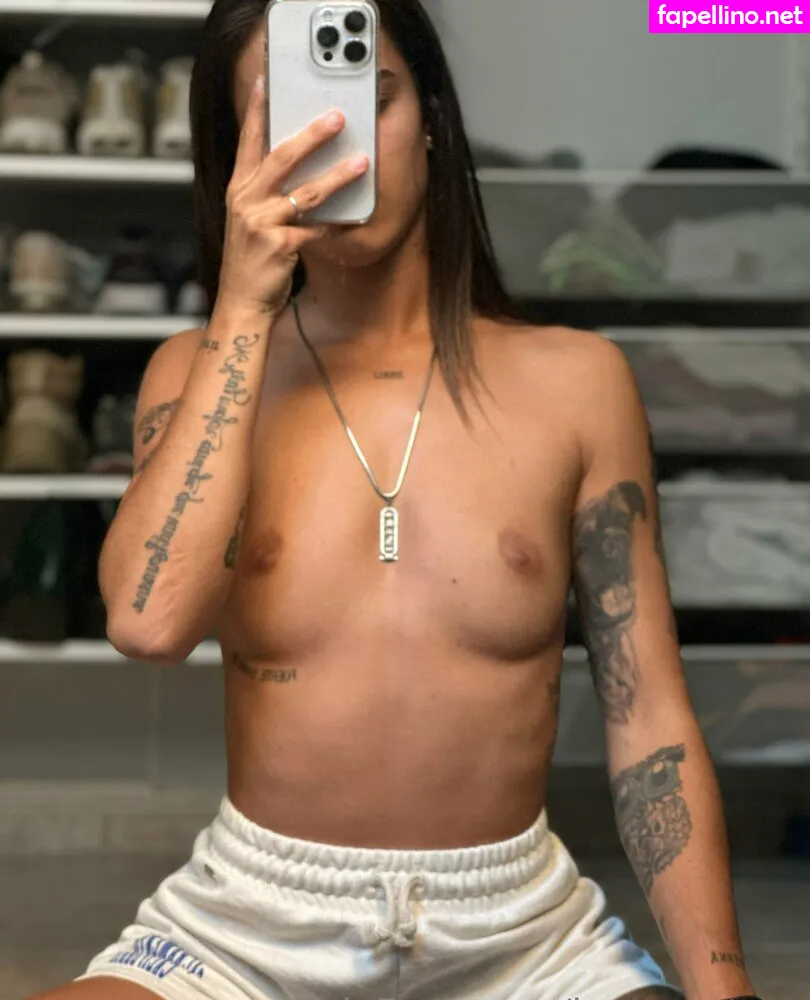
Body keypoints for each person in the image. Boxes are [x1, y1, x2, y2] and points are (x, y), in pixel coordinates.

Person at [30, 1, 758, 999]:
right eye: (294, 116)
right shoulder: (194, 373)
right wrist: (242, 305)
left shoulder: (578, 383)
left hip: (525, 935)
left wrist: (726, 990)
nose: (337, 141)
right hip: (245, 922)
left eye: (369, 101)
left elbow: (652, 722)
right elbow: (148, 622)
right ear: (239, 159)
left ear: (432, 121)